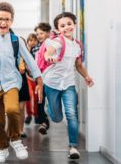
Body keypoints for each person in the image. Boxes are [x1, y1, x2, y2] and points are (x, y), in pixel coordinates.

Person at [0, 2, 43, 163]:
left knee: (14, 110)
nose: (3, 22)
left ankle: (15, 139)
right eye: (0, 19)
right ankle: (2, 148)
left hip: (11, 82)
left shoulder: (16, 40)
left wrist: (39, 80)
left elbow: (30, 60)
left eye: (7, 19)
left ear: (11, 21)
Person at [42, 12, 94, 159]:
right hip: (52, 83)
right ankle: (49, 108)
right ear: (58, 29)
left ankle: (73, 147)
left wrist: (87, 76)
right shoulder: (57, 41)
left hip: (69, 83)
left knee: (72, 114)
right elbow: (47, 53)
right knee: (57, 118)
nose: (67, 27)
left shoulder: (77, 45)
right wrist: (49, 57)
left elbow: (78, 65)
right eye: (62, 25)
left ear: (74, 24)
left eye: (69, 24)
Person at [33, 23, 52, 134]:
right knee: (39, 101)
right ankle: (44, 123)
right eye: (37, 34)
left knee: (50, 103)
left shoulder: (53, 45)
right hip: (40, 78)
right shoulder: (36, 47)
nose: (39, 35)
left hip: (51, 79)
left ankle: (47, 120)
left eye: (41, 33)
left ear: (48, 33)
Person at [24, 33, 39, 125]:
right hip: (28, 77)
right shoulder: (25, 50)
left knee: (36, 97)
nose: (33, 42)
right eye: (31, 40)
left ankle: (36, 115)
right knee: (28, 97)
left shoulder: (38, 50)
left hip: (37, 77)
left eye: (34, 40)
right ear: (28, 41)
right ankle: (29, 115)